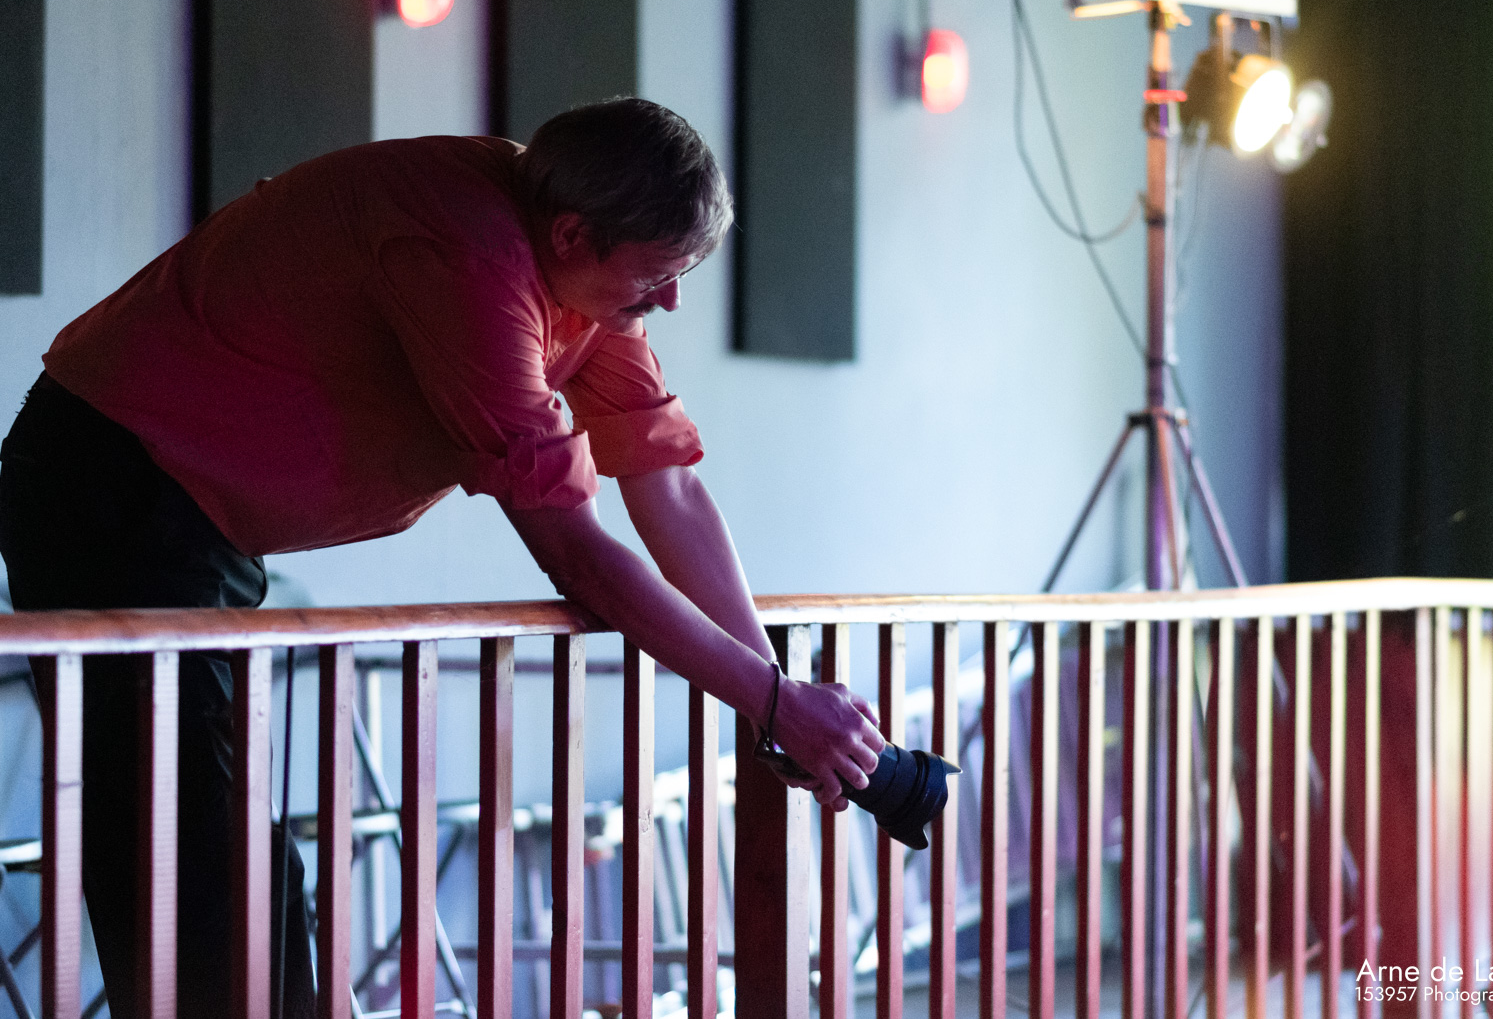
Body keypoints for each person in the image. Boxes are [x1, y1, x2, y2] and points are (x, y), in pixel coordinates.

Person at [0, 97, 884, 1017]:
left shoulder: (584, 284)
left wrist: (776, 703)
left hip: (193, 516)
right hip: (108, 482)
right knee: (193, 860)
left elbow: (668, 490)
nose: (668, 302)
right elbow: (576, 554)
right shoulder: (470, 256)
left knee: (228, 863)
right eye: (659, 275)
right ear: (573, 236)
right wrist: (772, 703)